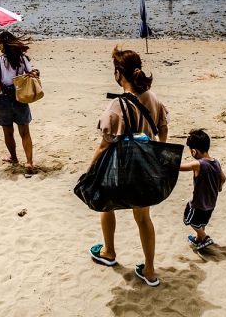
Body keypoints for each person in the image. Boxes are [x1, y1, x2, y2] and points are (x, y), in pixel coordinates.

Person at [88, 47, 169, 287]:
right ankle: (150, 271)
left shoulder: (117, 105)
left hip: (122, 169)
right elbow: (163, 127)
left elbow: (105, 144)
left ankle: (109, 252)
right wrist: (155, 149)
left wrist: (91, 170)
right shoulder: (152, 97)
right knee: (143, 218)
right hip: (145, 169)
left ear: (118, 74)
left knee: (106, 204)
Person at [0, 31, 40, 176]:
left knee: (8, 132)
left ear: (1, 45)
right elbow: (32, 72)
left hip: (3, 100)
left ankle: (14, 157)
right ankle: (29, 162)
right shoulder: (22, 59)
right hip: (20, 98)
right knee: (25, 133)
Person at [180, 129, 225, 250]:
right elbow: (223, 178)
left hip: (198, 203)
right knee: (202, 222)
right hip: (211, 203)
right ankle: (199, 239)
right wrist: (219, 187)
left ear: (194, 151)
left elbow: (180, 167)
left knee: (190, 220)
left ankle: (205, 237)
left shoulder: (198, 164)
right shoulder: (216, 163)